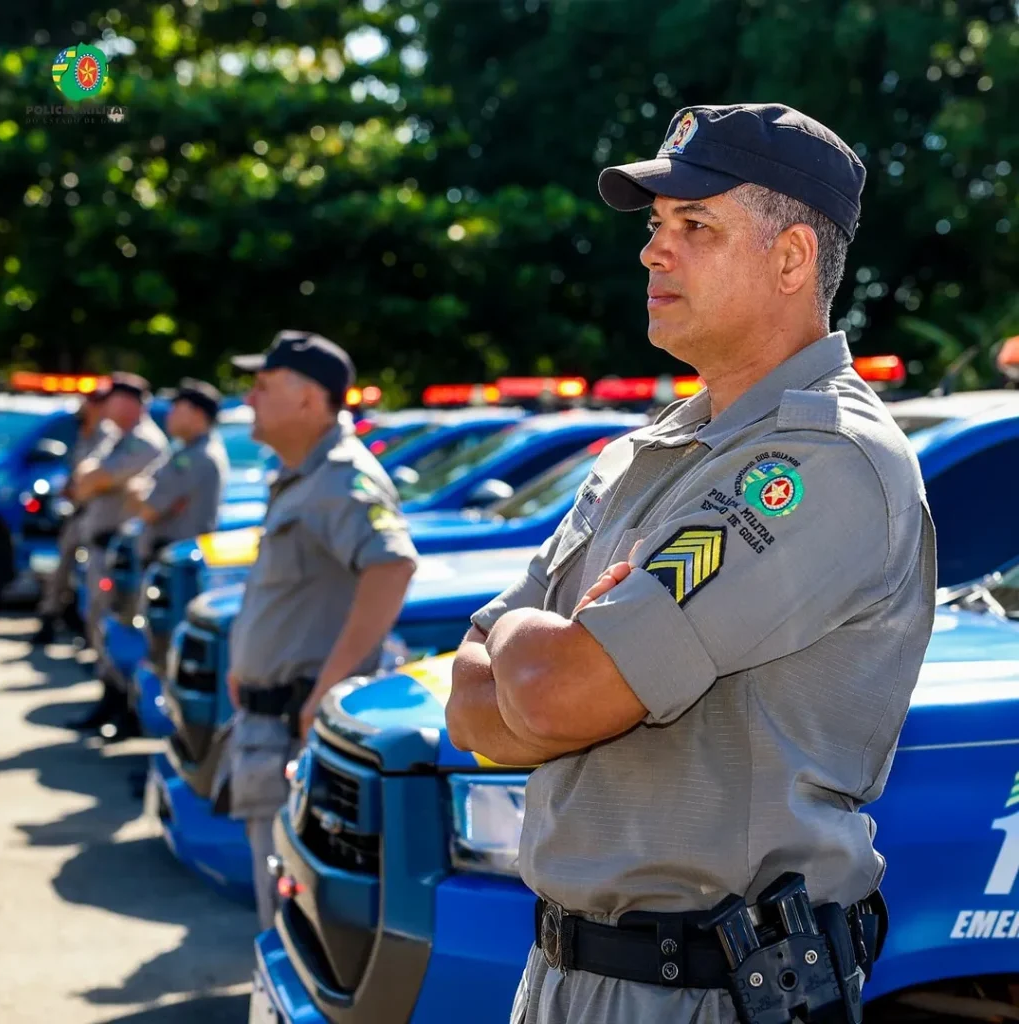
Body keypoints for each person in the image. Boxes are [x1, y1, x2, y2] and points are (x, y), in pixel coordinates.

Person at [447, 103, 937, 1024]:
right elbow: (472, 708)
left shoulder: (817, 460)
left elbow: (553, 696)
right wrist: (545, 658)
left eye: (695, 227)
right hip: (561, 973)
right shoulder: (649, 451)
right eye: (656, 226)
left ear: (792, 259)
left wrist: (516, 632)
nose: (651, 252)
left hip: (711, 991)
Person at [219, 331, 417, 930]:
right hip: (270, 726)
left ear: (309, 399)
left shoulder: (339, 475)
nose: (249, 399)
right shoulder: (305, 475)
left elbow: (391, 565)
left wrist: (324, 691)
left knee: (294, 922)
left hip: (295, 732)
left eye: (263, 385)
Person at [70, 372, 169, 732]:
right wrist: (92, 477)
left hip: (122, 556)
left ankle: (124, 709)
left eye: (112, 398)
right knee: (100, 627)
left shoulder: (144, 442)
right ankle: (111, 701)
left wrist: (93, 477)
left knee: (122, 632)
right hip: (102, 549)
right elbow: (81, 478)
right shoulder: (116, 438)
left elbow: (93, 478)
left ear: (129, 403)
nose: (104, 406)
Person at [32, 382, 117, 645]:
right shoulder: (84, 431)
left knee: (94, 574)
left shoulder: (109, 435)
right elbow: (76, 471)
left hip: (96, 512)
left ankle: (89, 629)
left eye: (95, 401)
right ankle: (52, 615)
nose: (89, 406)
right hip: (79, 511)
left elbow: (97, 476)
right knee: (63, 566)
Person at [129, 378, 229, 566]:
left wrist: (138, 489)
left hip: (174, 565)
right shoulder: (187, 450)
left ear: (198, 414)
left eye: (176, 408)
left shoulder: (197, 457)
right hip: (171, 561)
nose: (169, 414)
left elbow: (148, 510)